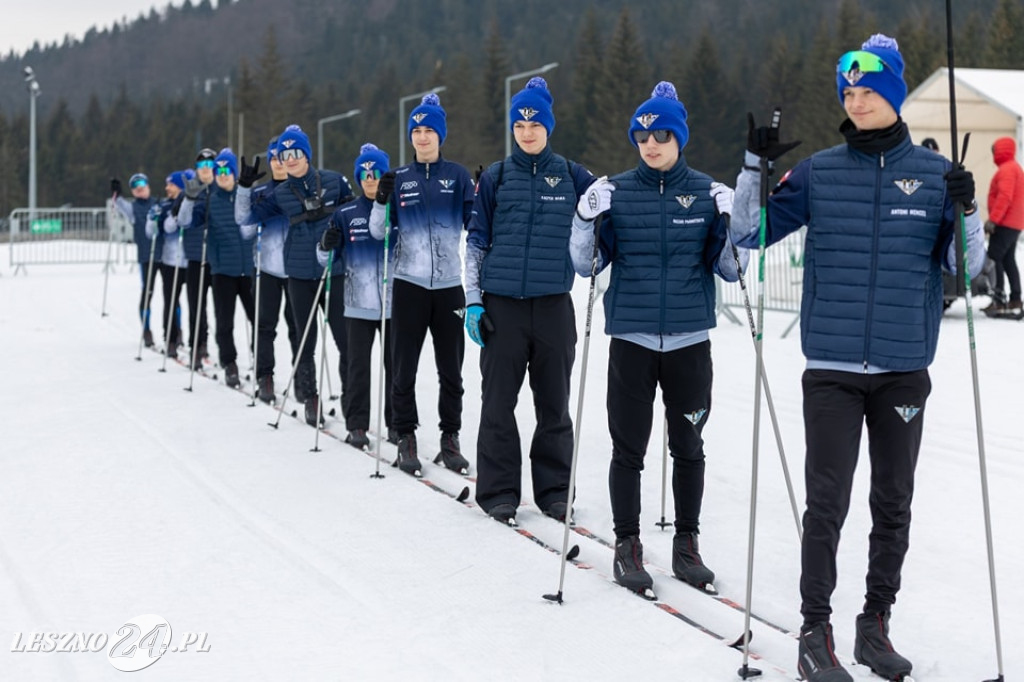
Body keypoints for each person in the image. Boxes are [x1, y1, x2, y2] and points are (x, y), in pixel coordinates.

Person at [730, 34, 985, 682]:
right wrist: (751, 170)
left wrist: (968, 209)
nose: (856, 100)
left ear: (894, 95)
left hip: (903, 364)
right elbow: (751, 234)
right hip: (835, 370)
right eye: (848, 91)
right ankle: (814, 633)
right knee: (827, 503)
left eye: (868, 90)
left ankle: (874, 626)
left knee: (893, 502)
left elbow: (966, 266)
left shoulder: (932, 176)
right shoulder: (819, 170)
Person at [568, 81, 744, 595]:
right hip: (633, 338)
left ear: (679, 138)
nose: (651, 144)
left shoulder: (707, 193)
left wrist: (736, 221)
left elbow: (733, 270)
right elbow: (585, 264)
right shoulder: (616, 193)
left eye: (662, 134)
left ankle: (686, 545)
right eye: (642, 135)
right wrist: (584, 216)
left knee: (689, 444)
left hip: (690, 339)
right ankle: (627, 545)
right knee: (629, 447)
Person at [465, 77, 596, 524]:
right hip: (502, 307)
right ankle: (499, 490)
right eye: (519, 122)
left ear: (548, 126)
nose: (527, 130)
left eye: (534, 121)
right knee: (498, 402)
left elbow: (604, 217)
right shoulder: (497, 178)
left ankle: (555, 491)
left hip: (553, 305)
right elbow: (476, 243)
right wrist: (473, 301)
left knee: (554, 405)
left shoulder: (574, 176)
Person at [369, 93, 474, 476]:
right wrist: (381, 201)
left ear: (440, 135)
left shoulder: (458, 176)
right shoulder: (399, 179)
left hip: (449, 287)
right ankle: (406, 436)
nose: (423, 136)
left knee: (452, 370)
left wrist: (484, 202)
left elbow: (474, 228)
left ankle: (450, 438)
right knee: (403, 368)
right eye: (416, 130)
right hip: (409, 285)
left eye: (430, 129)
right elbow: (379, 233)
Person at [235, 125, 352, 425]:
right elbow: (245, 220)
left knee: (345, 340)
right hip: (298, 274)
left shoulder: (333, 181)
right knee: (305, 340)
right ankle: (310, 397)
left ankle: (353, 400)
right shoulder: (281, 193)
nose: (289, 159)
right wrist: (244, 189)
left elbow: (354, 213)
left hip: (333, 272)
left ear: (307, 154)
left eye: (295, 153)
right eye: (283, 155)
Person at [319, 143, 396, 449]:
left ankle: (397, 424)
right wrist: (325, 244)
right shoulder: (346, 213)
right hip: (358, 303)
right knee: (357, 367)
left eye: (375, 171)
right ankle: (357, 424)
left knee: (396, 367)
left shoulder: (397, 208)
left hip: (393, 304)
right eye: (363, 173)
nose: (369, 177)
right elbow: (324, 261)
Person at [180, 148, 255, 387]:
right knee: (224, 323)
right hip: (223, 270)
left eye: (227, 170)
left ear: (234, 173)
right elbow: (185, 222)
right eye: (218, 170)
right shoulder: (209, 198)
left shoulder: (247, 195)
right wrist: (189, 200)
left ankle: (263, 364)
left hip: (250, 270)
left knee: (260, 320)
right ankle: (229, 363)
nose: (223, 174)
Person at [237, 136, 300, 403]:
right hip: (267, 269)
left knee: (298, 328)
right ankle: (265, 377)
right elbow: (245, 230)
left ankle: (303, 380)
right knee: (265, 326)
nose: (278, 163)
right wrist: (244, 190)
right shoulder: (259, 193)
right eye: (273, 158)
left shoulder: (301, 190)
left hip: (298, 269)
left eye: (282, 158)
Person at [112, 173, 161, 347]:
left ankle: (175, 332)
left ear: (148, 186)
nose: (140, 188)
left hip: (165, 255)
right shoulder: (133, 208)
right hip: (146, 256)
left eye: (142, 184)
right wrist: (116, 193)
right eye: (135, 187)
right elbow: (119, 205)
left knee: (172, 295)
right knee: (147, 292)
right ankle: (146, 330)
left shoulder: (158, 203)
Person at [145, 170, 191, 357]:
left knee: (196, 304)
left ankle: (198, 340)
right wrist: (151, 218)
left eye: (171, 184)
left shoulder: (191, 203)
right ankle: (171, 338)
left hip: (192, 260)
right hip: (170, 262)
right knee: (170, 301)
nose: (167, 188)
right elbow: (153, 233)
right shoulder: (163, 206)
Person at [182, 148, 217, 368]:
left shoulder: (222, 187)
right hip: (195, 255)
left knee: (222, 307)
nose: (206, 170)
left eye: (210, 165)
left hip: (218, 256)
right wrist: (188, 198)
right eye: (202, 166)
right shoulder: (191, 188)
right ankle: (197, 344)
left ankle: (223, 349)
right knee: (196, 305)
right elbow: (181, 218)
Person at [981, 136, 1024, 317]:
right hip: (1015, 223)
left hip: (1005, 223)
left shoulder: (1007, 170)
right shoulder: (1014, 168)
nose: (992, 154)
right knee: (1008, 260)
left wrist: (994, 220)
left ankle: (999, 300)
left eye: (994, 150)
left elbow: (1005, 197)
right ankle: (1015, 299)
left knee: (995, 257)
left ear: (1000, 151)